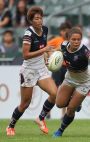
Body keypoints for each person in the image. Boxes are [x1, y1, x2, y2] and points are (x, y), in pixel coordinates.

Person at [52, 27, 90, 137]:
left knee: (71, 109)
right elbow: (56, 53)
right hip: (69, 79)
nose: (76, 42)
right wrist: (50, 58)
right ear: (68, 39)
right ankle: (76, 102)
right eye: (73, 39)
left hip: (84, 82)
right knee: (59, 104)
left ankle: (60, 131)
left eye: (78, 39)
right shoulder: (63, 45)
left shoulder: (84, 51)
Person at [6, 7, 57, 135]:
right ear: (30, 21)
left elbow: (43, 47)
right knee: (25, 104)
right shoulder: (28, 34)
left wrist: (46, 58)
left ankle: (40, 118)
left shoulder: (44, 29)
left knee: (54, 93)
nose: (40, 21)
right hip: (28, 71)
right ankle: (11, 126)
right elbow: (26, 55)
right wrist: (44, 50)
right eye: (36, 19)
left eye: (40, 18)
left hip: (41, 69)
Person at [47, 21, 72, 119]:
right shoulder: (57, 40)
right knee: (54, 90)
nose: (65, 32)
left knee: (65, 91)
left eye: (67, 30)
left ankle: (63, 113)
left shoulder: (72, 42)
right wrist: (50, 55)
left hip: (68, 68)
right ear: (60, 31)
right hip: (57, 68)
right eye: (63, 30)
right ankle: (48, 112)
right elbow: (46, 46)